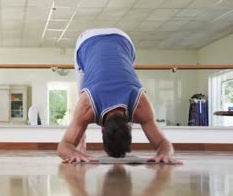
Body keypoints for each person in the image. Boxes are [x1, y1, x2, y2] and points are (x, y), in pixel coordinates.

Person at [58, 28, 180, 164]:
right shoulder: (87, 105)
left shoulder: (140, 104)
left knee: (81, 111)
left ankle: (79, 135)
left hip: (122, 40)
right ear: (103, 130)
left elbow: (63, 147)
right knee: (81, 94)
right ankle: (81, 145)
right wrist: (73, 152)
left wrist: (164, 153)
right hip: (90, 41)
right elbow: (63, 147)